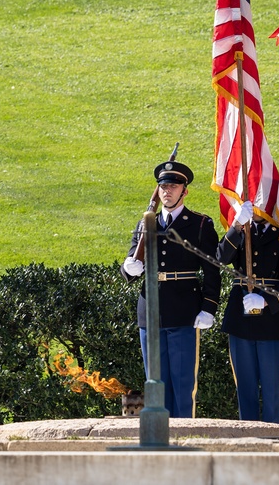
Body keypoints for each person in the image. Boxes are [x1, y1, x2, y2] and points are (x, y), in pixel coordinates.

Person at [122, 160, 220, 418]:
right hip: (150, 312)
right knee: (156, 385)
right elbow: (132, 263)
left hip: (184, 311)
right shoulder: (146, 223)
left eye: (174, 186)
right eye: (163, 186)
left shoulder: (200, 224)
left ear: (184, 191)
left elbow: (212, 270)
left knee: (182, 384)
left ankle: (183, 438)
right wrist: (128, 268)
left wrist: (209, 307)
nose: (168, 191)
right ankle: (159, 440)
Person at [217, 200, 279, 425]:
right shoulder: (240, 230)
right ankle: (248, 440)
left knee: (273, 390)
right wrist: (236, 225)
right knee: (245, 388)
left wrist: (267, 301)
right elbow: (221, 258)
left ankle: (273, 439)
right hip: (240, 317)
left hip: (274, 320)